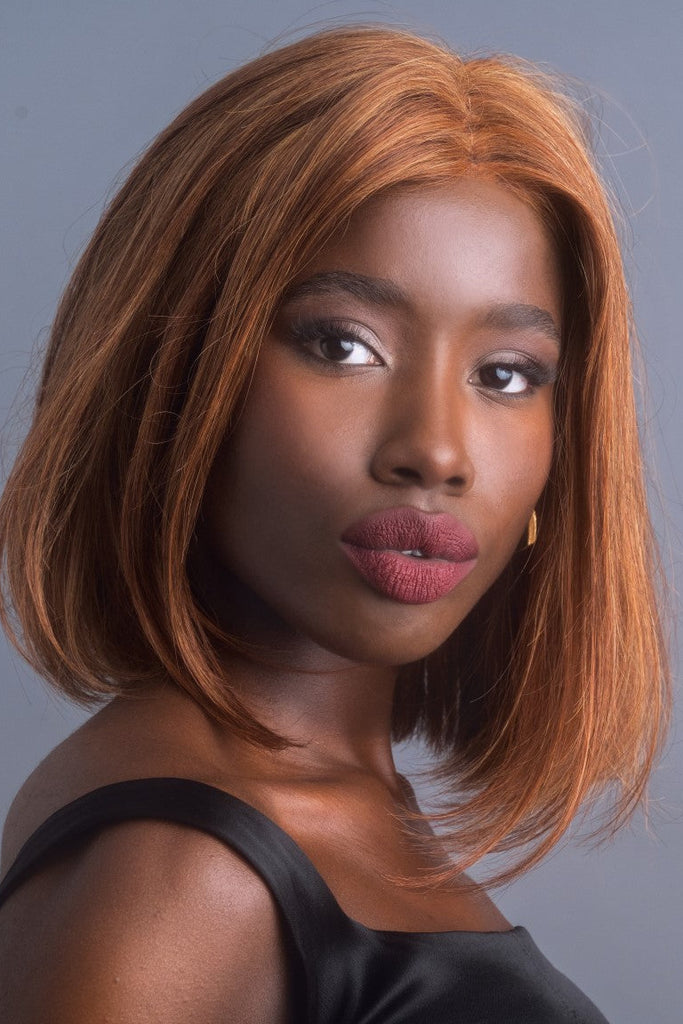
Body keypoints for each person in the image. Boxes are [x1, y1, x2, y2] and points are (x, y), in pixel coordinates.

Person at [0, 24, 670, 1024]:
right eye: (342, 346)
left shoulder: (333, 807)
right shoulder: (178, 870)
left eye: (504, 374)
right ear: (175, 372)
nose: (435, 450)